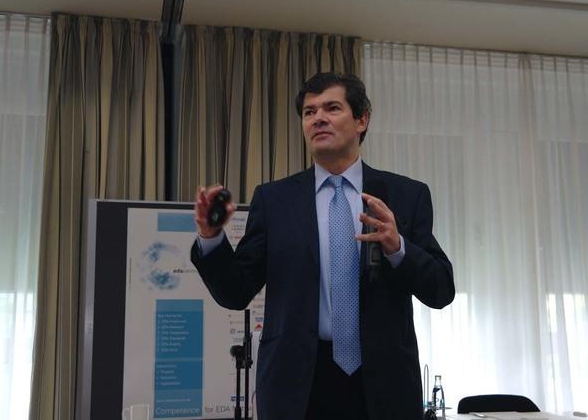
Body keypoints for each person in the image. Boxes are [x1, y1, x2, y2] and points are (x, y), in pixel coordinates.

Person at [191, 72, 454, 420]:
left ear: (361, 120)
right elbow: (235, 292)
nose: (318, 118)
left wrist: (398, 247)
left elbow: (441, 290)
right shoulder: (274, 200)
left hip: (383, 385)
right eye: (309, 112)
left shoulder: (405, 195)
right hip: (296, 387)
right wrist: (211, 237)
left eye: (332, 108)